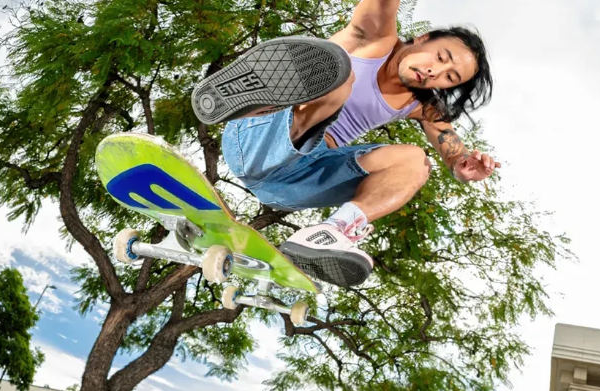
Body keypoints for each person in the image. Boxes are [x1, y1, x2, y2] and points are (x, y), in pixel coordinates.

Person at [192, 0, 500, 288]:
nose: (435, 72)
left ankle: (331, 233)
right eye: (441, 57)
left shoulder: (421, 105)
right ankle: (252, 104)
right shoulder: (376, 37)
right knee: (339, 76)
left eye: (449, 77)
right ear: (423, 38)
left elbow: (453, 151)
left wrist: (462, 165)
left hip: (289, 186)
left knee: (416, 161)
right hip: (257, 140)